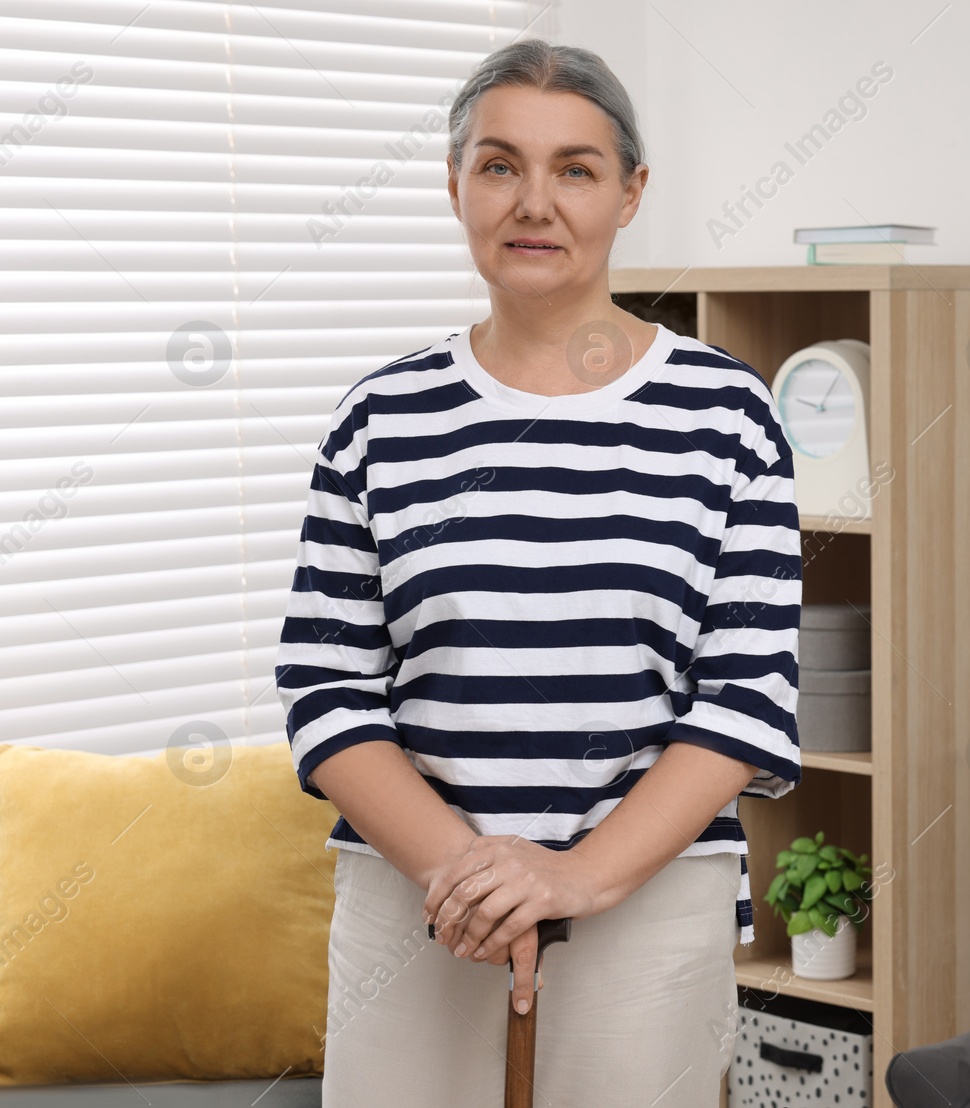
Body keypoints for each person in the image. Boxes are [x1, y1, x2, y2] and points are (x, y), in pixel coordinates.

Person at [274, 37, 802, 1108]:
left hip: (648, 895)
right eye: (500, 164)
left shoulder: (726, 413)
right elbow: (327, 693)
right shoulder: (380, 417)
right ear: (457, 185)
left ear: (629, 192)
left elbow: (744, 702)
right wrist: (461, 873)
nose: (535, 201)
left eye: (575, 168)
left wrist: (575, 873)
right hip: (416, 898)